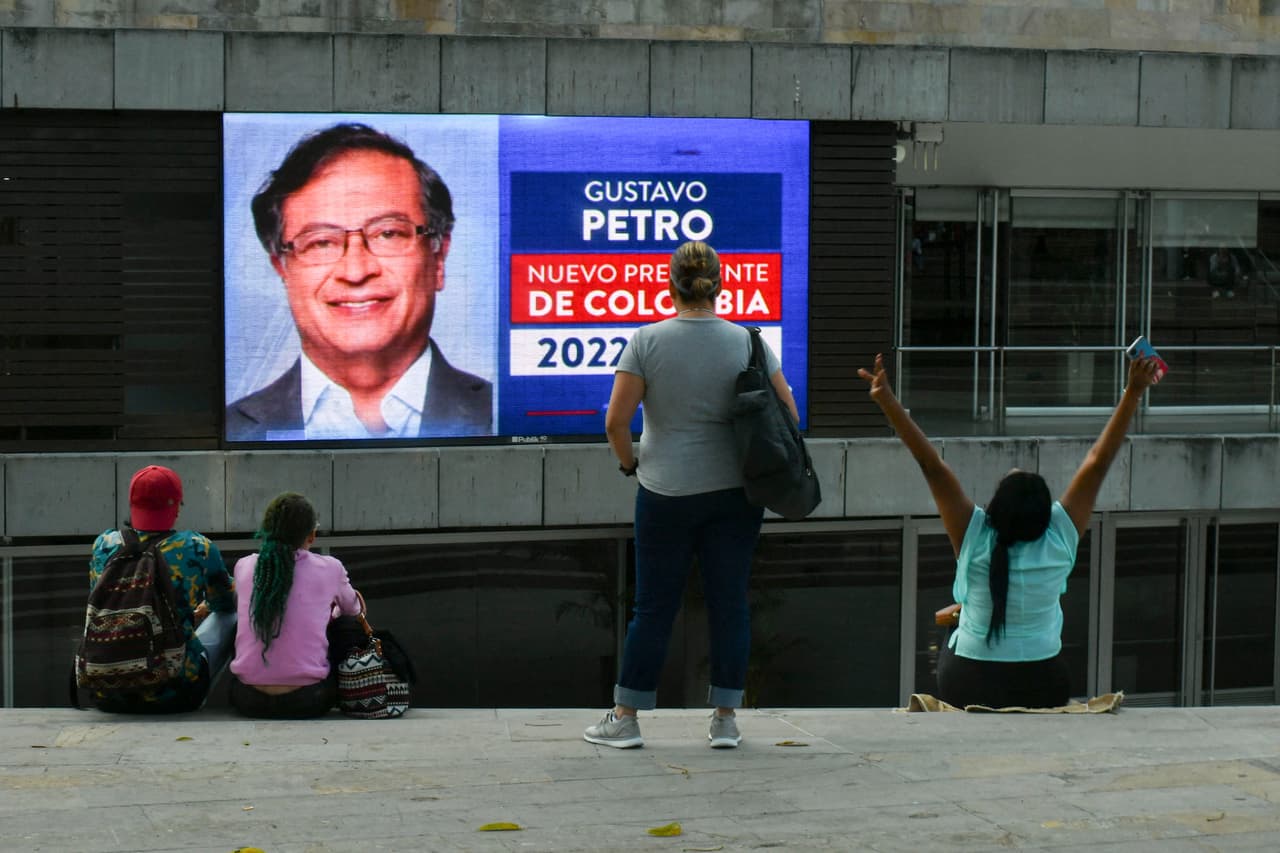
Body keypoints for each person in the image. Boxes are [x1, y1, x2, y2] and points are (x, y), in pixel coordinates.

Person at [583, 241, 799, 749]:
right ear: (720, 285)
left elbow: (616, 422)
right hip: (735, 494)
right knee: (729, 604)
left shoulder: (646, 341)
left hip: (665, 492)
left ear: (671, 284)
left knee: (654, 608)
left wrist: (630, 463)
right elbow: (788, 413)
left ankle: (626, 719)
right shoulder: (747, 341)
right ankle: (725, 721)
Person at [857, 353, 1161, 709]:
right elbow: (1098, 462)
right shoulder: (1059, 535)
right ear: (1046, 516)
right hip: (1043, 683)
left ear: (995, 509)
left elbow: (932, 466)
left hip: (967, 682)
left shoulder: (974, 533)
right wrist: (1133, 391)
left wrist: (888, 402)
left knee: (955, 629)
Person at [225, 122, 492, 441]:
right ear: (282, 268)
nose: (355, 271)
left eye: (388, 234)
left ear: (438, 257)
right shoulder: (231, 431)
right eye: (321, 242)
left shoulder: (511, 413)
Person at [87, 465, 235, 713]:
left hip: (108, 694)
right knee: (231, 616)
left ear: (131, 503)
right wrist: (201, 607)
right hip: (176, 694)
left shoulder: (104, 544)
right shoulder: (197, 546)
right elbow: (225, 601)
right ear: (176, 507)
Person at [228, 492, 362, 718]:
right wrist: (330, 613)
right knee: (346, 626)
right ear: (311, 535)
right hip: (308, 700)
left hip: (247, 699)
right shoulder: (331, 568)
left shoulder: (244, 566)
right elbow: (353, 611)